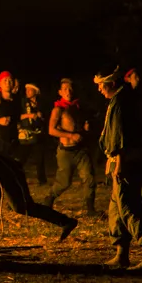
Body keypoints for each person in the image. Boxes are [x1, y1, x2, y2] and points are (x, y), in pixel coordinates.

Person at [95, 66, 142, 270]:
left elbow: (119, 136)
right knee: (116, 208)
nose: (99, 89)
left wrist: (119, 164)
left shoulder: (121, 102)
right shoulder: (122, 100)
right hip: (124, 160)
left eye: (101, 85)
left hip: (127, 162)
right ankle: (121, 254)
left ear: (112, 84)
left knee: (129, 207)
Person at [43, 78, 96, 216]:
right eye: (65, 89)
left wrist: (86, 128)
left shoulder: (78, 107)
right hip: (65, 151)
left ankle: (91, 210)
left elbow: (81, 127)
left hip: (80, 150)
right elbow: (51, 130)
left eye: (70, 89)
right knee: (64, 182)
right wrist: (71, 136)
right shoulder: (58, 109)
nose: (68, 91)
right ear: (60, 92)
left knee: (89, 178)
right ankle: (48, 199)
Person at [17, 83, 47, 185]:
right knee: (22, 157)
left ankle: (42, 180)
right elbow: (17, 116)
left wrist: (41, 116)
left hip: (39, 133)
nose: (27, 92)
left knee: (40, 158)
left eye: (30, 90)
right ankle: (17, 177)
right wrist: (29, 115)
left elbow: (46, 117)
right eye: (26, 90)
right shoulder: (22, 102)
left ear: (36, 91)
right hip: (26, 133)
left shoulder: (41, 103)